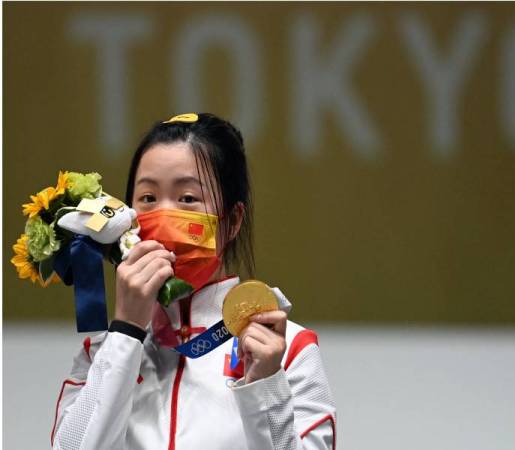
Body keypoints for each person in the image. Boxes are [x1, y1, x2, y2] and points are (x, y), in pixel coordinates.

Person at [51, 113, 336, 450]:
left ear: (232, 221)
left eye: (187, 199)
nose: (164, 214)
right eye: (148, 199)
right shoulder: (102, 352)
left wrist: (266, 385)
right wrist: (126, 331)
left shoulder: (287, 350)